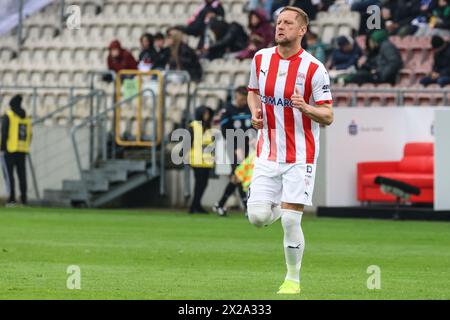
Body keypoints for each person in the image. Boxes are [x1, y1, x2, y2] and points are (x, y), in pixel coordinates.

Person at [246, 6, 333, 294]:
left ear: (302, 30)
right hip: (268, 152)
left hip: (301, 155)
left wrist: (306, 107)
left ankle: (292, 279)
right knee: (257, 217)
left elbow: (328, 115)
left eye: (287, 23)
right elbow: (253, 91)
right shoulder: (261, 58)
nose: (280, 27)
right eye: (278, 22)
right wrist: (255, 112)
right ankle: (280, 210)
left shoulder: (314, 68)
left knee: (292, 220)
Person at [212, 86, 253, 216]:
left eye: (244, 99)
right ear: (236, 96)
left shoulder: (248, 108)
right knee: (239, 175)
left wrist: (253, 138)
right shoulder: (228, 109)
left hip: (245, 146)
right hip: (234, 146)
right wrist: (235, 147)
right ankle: (246, 208)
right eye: (241, 99)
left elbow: (252, 126)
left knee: (237, 176)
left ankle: (220, 204)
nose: (243, 102)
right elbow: (224, 130)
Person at [0, 95, 32, 207]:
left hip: (9, 149)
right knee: (22, 175)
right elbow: (30, 134)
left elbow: (4, 133)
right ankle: (24, 199)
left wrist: (2, 148)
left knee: (9, 176)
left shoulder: (9, 115)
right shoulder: (26, 117)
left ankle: (12, 199)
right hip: (22, 149)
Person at [189, 106, 215, 214]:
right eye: (205, 113)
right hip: (197, 159)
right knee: (200, 183)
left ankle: (196, 205)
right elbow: (188, 141)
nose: (207, 116)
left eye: (208, 114)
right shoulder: (194, 126)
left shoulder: (208, 127)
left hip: (206, 160)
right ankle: (194, 206)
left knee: (203, 184)